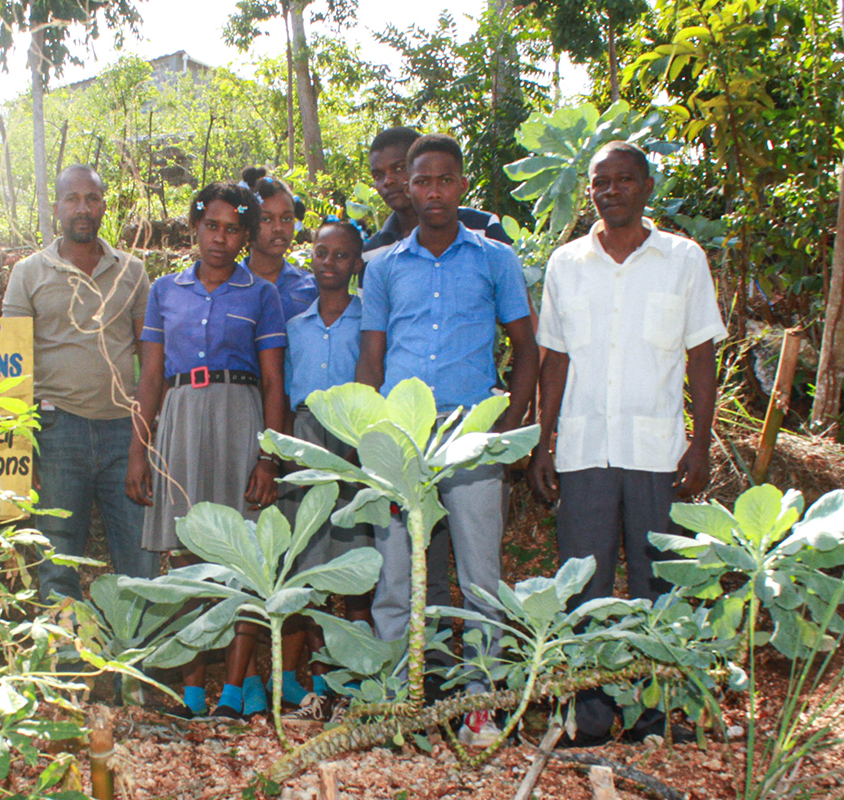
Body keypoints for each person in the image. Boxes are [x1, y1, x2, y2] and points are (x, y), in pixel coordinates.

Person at [528, 141, 725, 744]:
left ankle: (654, 715)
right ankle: (588, 716)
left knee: (657, 580)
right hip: (585, 449)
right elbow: (553, 358)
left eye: (624, 180)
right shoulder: (567, 263)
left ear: (646, 187)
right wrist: (544, 442)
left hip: (657, 450)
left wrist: (700, 443)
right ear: (590, 190)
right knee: (583, 584)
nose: (611, 190)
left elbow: (701, 355)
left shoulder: (683, 259)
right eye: (600, 181)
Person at [356, 134, 538, 747]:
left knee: (480, 573)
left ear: (461, 186)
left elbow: (526, 346)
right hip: (404, 434)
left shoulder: (495, 260)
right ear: (407, 187)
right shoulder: (381, 266)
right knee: (396, 578)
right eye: (421, 181)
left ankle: (482, 707)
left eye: (444, 180)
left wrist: (512, 419)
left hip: (473, 430)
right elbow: (372, 357)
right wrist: (369, 441)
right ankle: (393, 704)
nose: (432, 191)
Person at [126, 182, 286, 720]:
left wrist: (269, 456)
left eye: (233, 228)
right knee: (186, 555)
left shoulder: (260, 293)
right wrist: (139, 449)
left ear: (246, 235)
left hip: (240, 419)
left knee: (243, 553)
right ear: (195, 226)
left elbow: (273, 382)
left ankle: (234, 690)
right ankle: (192, 690)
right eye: (212, 225)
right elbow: (150, 378)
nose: (221, 238)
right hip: (181, 417)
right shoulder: (165, 290)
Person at [2, 165, 157, 601]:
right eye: (72, 199)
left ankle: (135, 662)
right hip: (56, 432)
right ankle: (67, 661)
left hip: (124, 434)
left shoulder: (131, 271)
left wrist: (144, 438)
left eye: (92, 198)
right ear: (56, 208)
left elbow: (150, 360)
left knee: (139, 556)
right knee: (57, 558)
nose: (82, 208)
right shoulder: (28, 272)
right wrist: (21, 443)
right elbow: (14, 362)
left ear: (105, 205)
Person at [277, 217, 371, 723]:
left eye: (340, 255)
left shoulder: (369, 321)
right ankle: (312, 690)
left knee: (355, 568)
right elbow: (288, 396)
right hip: (305, 441)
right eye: (320, 253)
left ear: (357, 264)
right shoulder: (296, 327)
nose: (328, 263)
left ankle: (355, 688)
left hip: (353, 443)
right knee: (307, 568)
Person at [363, 126, 512, 265]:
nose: (387, 181)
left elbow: (512, 288)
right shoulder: (373, 251)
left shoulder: (482, 227)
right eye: (378, 175)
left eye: (399, 168)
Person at [239, 167, 318, 321]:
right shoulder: (229, 286)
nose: (278, 228)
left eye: (287, 218)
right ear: (247, 224)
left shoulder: (311, 288)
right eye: (266, 219)